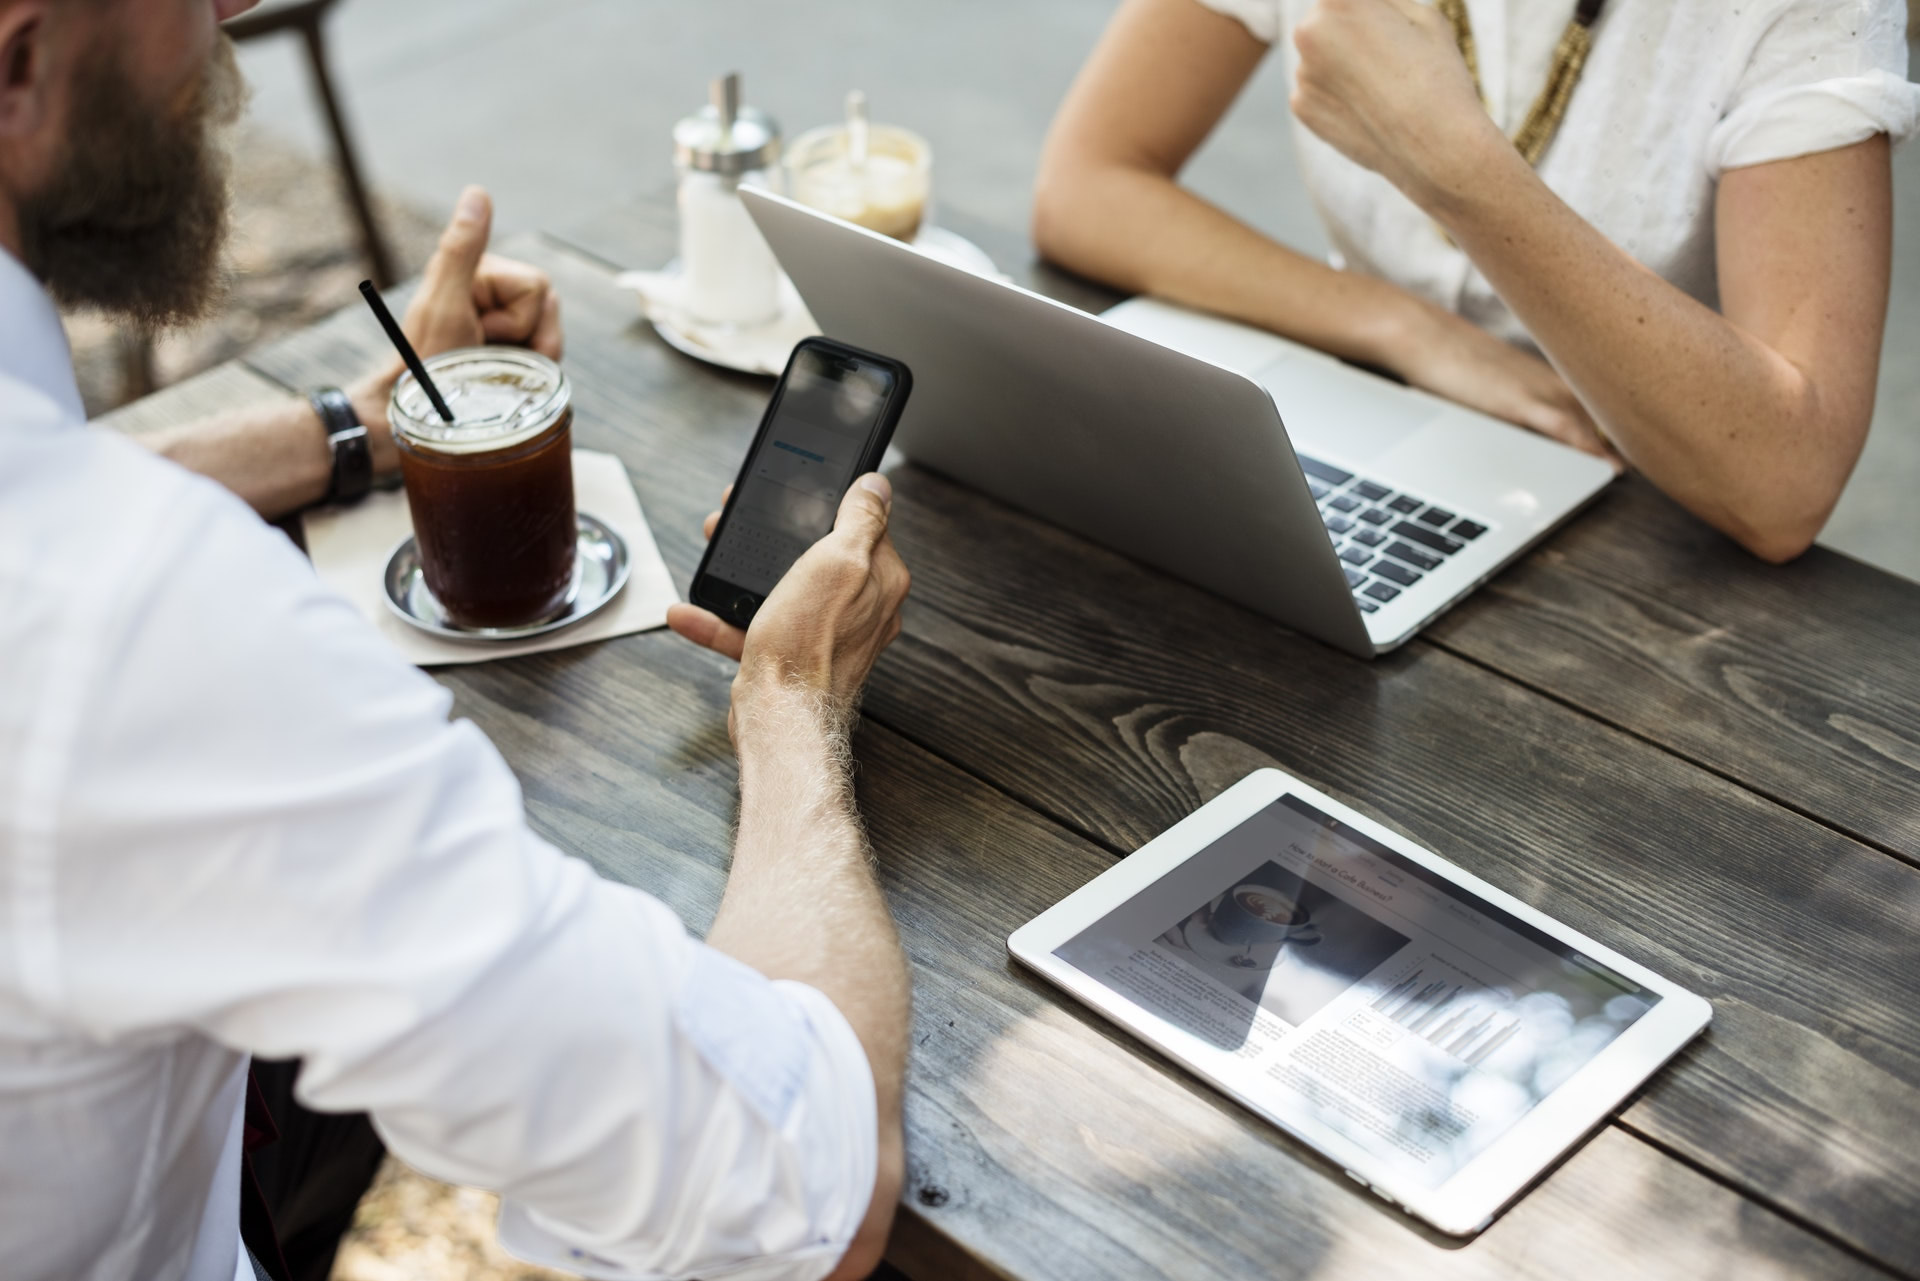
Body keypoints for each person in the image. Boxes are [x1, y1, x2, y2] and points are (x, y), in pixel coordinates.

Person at [0, 3, 912, 1281]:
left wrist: (357, 427)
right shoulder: (136, 617)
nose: (228, 23)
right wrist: (794, 700)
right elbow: (799, 1185)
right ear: (20, 61)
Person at [1033, 0, 1920, 562]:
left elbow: (1784, 484)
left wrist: (1458, 168)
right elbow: (1086, 185)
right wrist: (1410, 330)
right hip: (1368, 426)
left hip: (1645, 502)